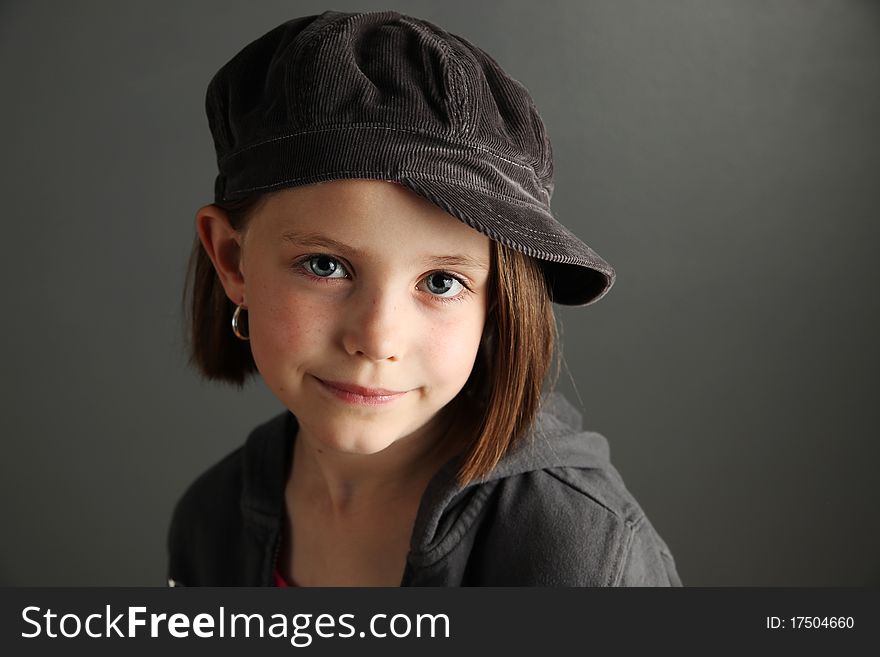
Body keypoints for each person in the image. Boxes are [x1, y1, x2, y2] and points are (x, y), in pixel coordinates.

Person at [167, 9, 682, 587]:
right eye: (325, 265)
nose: (378, 338)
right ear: (232, 261)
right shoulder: (209, 522)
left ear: (497, 301)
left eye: (441, 282)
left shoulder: (577, 554)